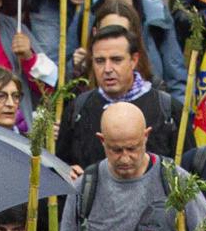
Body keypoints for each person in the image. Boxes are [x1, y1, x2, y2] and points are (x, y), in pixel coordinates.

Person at [58, 103, 206, 231]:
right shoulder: (85, 186)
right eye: (116, 150)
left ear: (146, 136)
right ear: (102, 140)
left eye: (132, 148)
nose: (125, 158)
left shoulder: (177, 181)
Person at [54, 26, 179, 169]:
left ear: (134, 60)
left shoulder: (167, 109)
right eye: (100, 61)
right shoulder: (78, 109)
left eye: (116, 60)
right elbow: (61, 165)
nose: (107, 69)